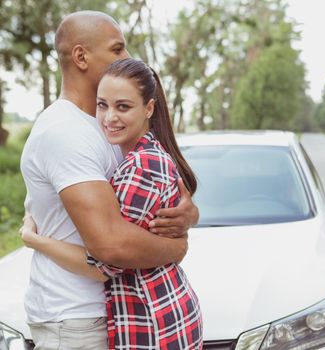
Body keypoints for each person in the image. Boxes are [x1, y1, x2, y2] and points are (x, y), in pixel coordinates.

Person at [19, 11, 198, 350]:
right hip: (77, 319)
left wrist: (188, 216)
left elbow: (160, 195)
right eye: (117, 50)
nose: (127, 58)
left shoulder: (108, 128)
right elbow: (111, 247)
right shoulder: (65, 131)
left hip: (111, 311)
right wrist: (177, 248)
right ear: (81, 56)